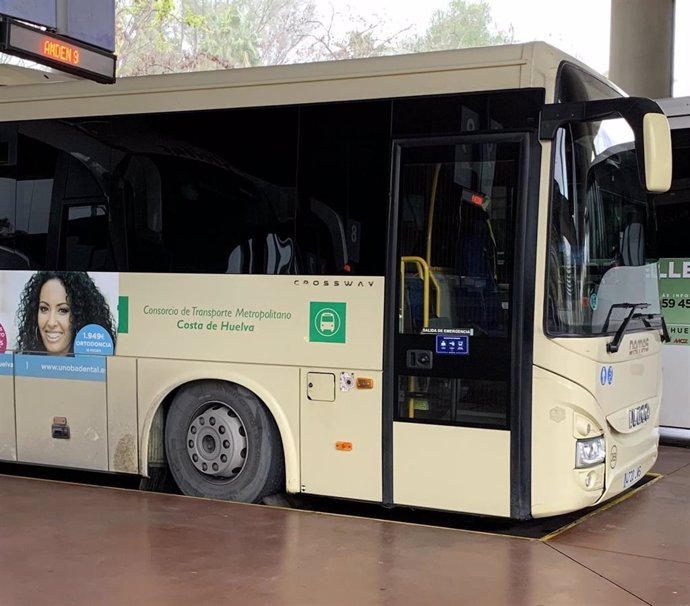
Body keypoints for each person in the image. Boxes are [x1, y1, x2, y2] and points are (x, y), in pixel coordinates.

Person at [15, 271, 116, 356]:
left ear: (80, 317)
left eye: (63, 310)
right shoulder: (22, 367)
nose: (51, 322)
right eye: (44, 309)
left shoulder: (96, 372)